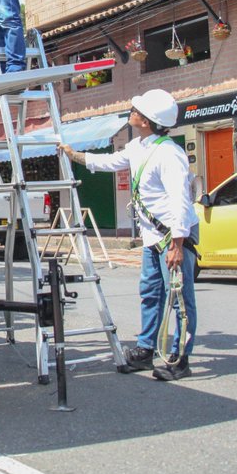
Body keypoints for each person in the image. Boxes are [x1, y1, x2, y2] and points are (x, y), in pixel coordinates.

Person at [58, 89, 199, 381]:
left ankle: (180, 359)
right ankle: (147, 349)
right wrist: (76, 156)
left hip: (172, 237)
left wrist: (176, 245)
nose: (131, 111)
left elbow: (180, 203)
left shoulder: (170, 154)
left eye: (137, 110)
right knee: (150, 293)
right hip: (152, 237)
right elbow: (112, 161)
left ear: (147, 120)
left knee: (179, 300)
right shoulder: (139, 146)